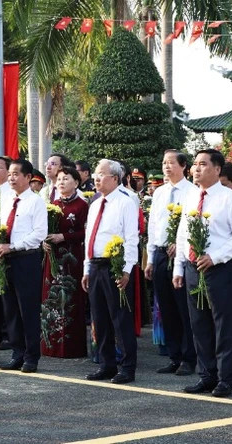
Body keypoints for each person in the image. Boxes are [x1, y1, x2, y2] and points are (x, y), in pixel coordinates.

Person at [173, 149, 232, 398]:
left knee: (222, 324)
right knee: (199, 324)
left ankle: (226, 379)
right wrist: (180, 267)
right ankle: (207, 375)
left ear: (217, 169)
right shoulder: (192, 197)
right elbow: (182, 233)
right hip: (193, 269)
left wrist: (215, 257)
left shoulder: (230, 198)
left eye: (203, 164)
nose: (197, 169)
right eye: (195, 164)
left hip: (219, 269)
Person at [82, 159, 139, 384]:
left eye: (102, 174)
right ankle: (106, 364)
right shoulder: (95, 204)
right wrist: (87, 268)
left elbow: (132, 239)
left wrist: (126, 270)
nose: (96, 178)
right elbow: (90, 238)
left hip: (115, 265)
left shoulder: (125, 203)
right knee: (100, 318)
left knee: (120, 318)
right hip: (95, 265)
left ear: (115, 178)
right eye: (95, 174)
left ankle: (127, 367)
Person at [144, 150, 198, 377]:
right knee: (166, 308)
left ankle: (189, 358)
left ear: (183, 165)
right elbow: (153, 226)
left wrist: (182, 245)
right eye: (164, 162)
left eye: (171, 163)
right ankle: (174, 356)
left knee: (183, 308)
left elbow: (195, 223)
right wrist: (149, 258)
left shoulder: (193, 192)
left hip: (181, 255)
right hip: (160, 253)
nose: (166, 167)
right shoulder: (159, 193)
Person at [0, 159, 47, 373]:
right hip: (6, 259)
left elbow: (39, 234)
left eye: (16, 174)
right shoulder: (5, 199)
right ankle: (17, 352)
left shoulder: (35, 201)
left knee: (28, 310)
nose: (12, 178)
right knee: (10, 309)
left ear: (27, 177)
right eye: (11, 174)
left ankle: (32, 356)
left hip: (27, 259)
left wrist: (13, 246)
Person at [41, 166, 88, 358]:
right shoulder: (52, 204)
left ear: (76, 182)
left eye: (66, 178)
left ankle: (71, 346)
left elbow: (86, 232)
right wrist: (44, 241)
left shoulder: (82, 205)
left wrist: (65, 236)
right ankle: (50, 344)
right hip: (53, 258)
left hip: (72, 258)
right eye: (59, 179)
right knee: (51, 296)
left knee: (70, 299)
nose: (61, 182)